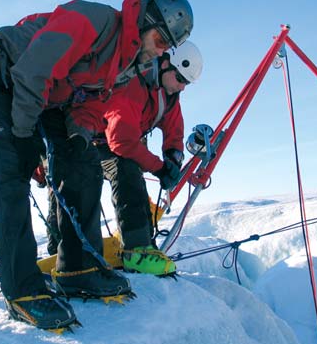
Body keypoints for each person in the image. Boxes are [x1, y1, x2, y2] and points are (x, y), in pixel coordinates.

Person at [0, 0, 193, 330]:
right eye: (159, 40)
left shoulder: (125, 64)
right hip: (1, 73)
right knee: (11, 171)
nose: (161, 52)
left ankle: (77, 268)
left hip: (52, 97)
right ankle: (22, 289)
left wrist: (79, 137)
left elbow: (93, 104)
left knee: (83, 163)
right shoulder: (94, 20)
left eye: (166, 48)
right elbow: (35, 68)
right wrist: (24, 134)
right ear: (145, 23)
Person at [47, 41, 202, 276]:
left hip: (115, 143)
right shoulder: (133, 85)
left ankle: (141, 245)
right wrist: (159, 168)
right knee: (120, 169)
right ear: (166, 64)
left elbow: (174, 129)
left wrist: (173, 159)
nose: (182, 87)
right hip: (90, 140)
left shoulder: (167, 95)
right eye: (180, 80)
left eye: (187, 83)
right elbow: (121, 141)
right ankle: (66, 249)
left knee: (129, 171)